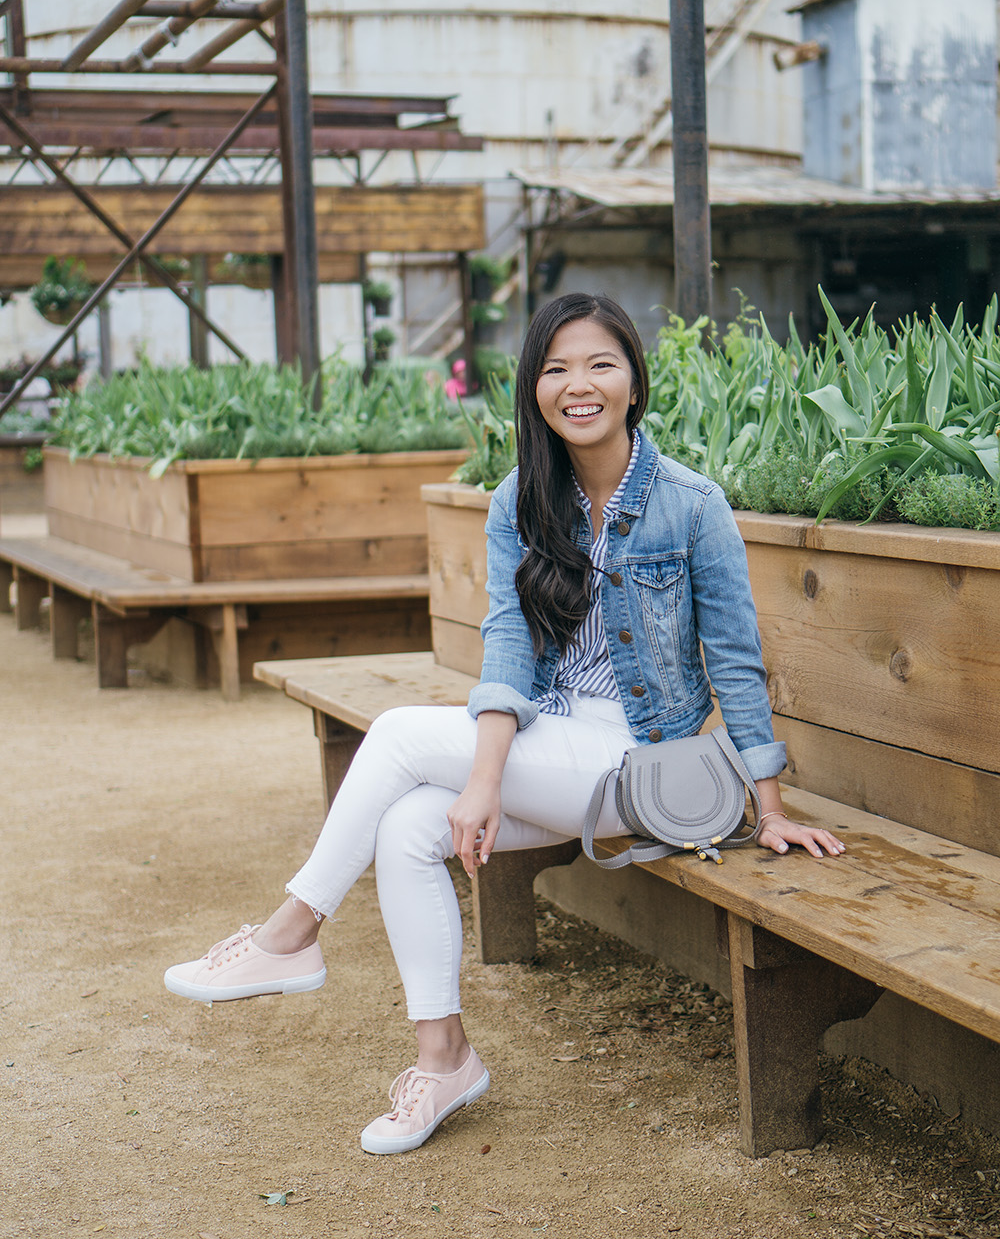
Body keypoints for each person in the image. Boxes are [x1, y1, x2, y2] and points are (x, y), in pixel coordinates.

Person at [164, 292, 844, 1155]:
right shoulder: (521, 501)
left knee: (402, 739)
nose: (579, 384)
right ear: (534, 391)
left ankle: (291, 933)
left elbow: (738, 661)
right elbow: (509, 653)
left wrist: (771, 807)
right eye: (556, 368)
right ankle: (443, 1059)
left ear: (634, 381)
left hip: (643, 764)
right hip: (554, 745)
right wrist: (484, 778)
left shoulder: (691, 504)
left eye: (600, 363)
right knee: (411, 826)